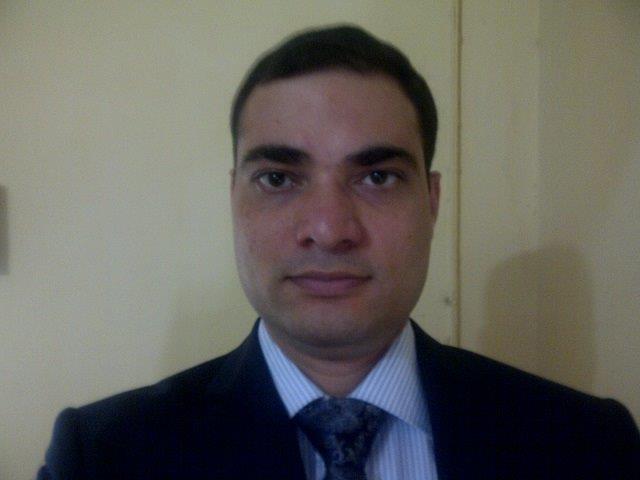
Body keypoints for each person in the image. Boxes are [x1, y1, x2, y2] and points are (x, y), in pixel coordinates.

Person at [38, 25, 639, 480]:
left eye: (377, 176)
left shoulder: (587, 445)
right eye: (278, 178)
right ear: (234, 200)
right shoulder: (103, 457)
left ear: (431, 202)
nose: (328, 230)